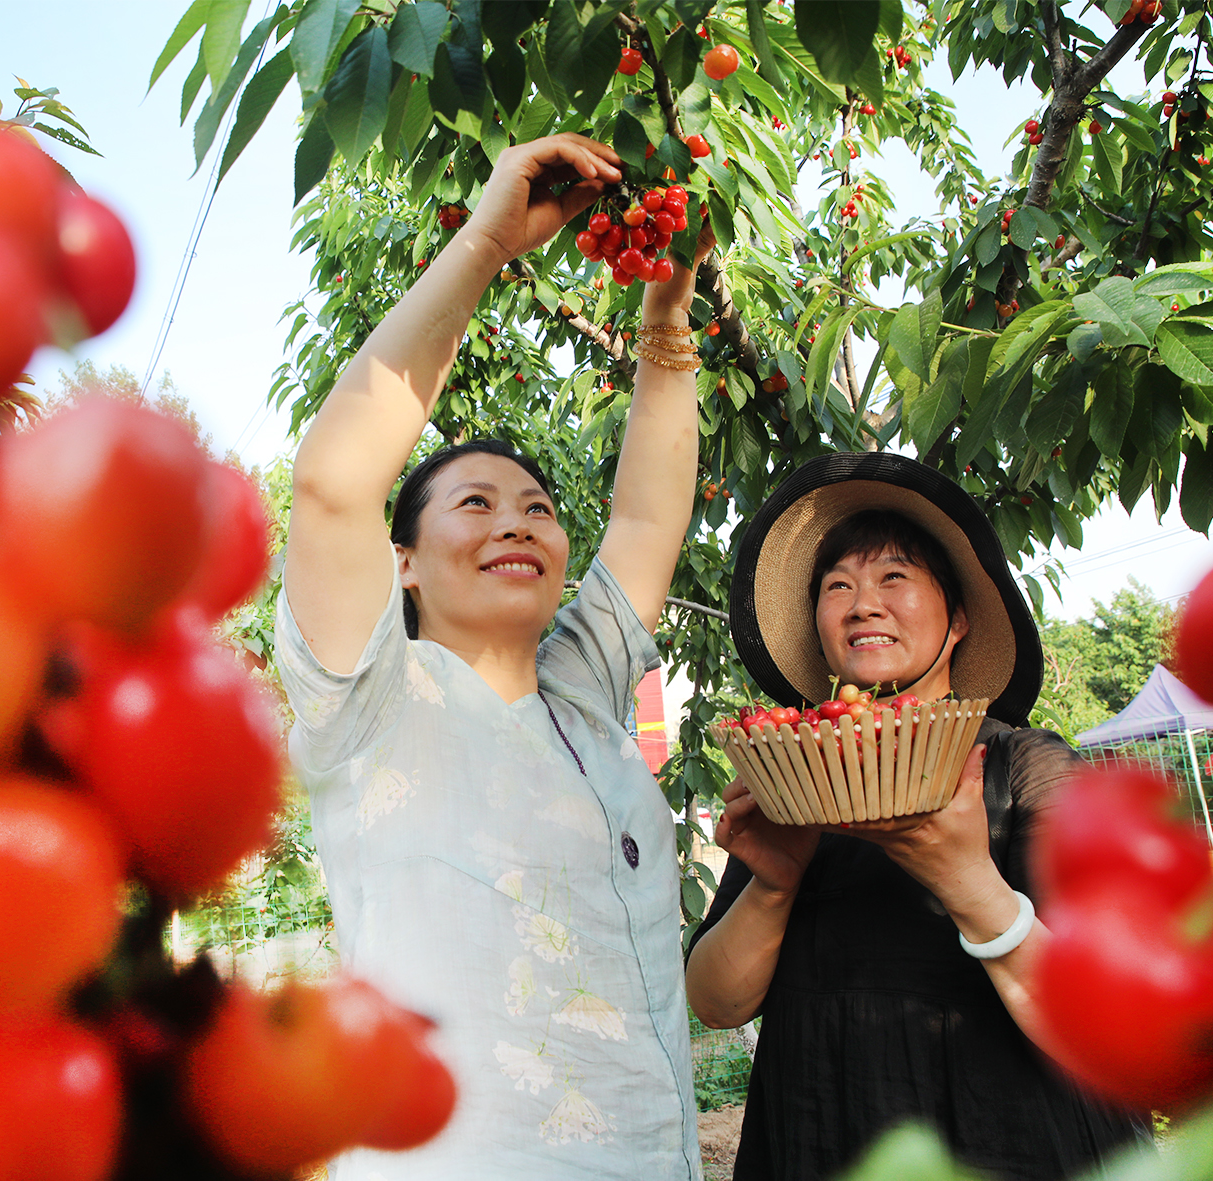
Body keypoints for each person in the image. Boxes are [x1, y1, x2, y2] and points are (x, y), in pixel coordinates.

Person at [275, 134, 709, 1179]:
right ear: (404, 564)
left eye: (537, 509)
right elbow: (334, 484)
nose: (514, 522)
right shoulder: (370, 696)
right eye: (473, 504)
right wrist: (484, 243)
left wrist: (665, 323)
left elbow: (646, 519)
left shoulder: (583, 691)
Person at [686, 452, 1148, 1180]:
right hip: (820, 1140)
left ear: (959, 618)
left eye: (893, 577)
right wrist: (773, 883)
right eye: (838, 585)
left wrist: (967, 880)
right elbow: (715, 1002)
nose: (863, 602)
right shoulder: (800, 779)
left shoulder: (1026, 770)